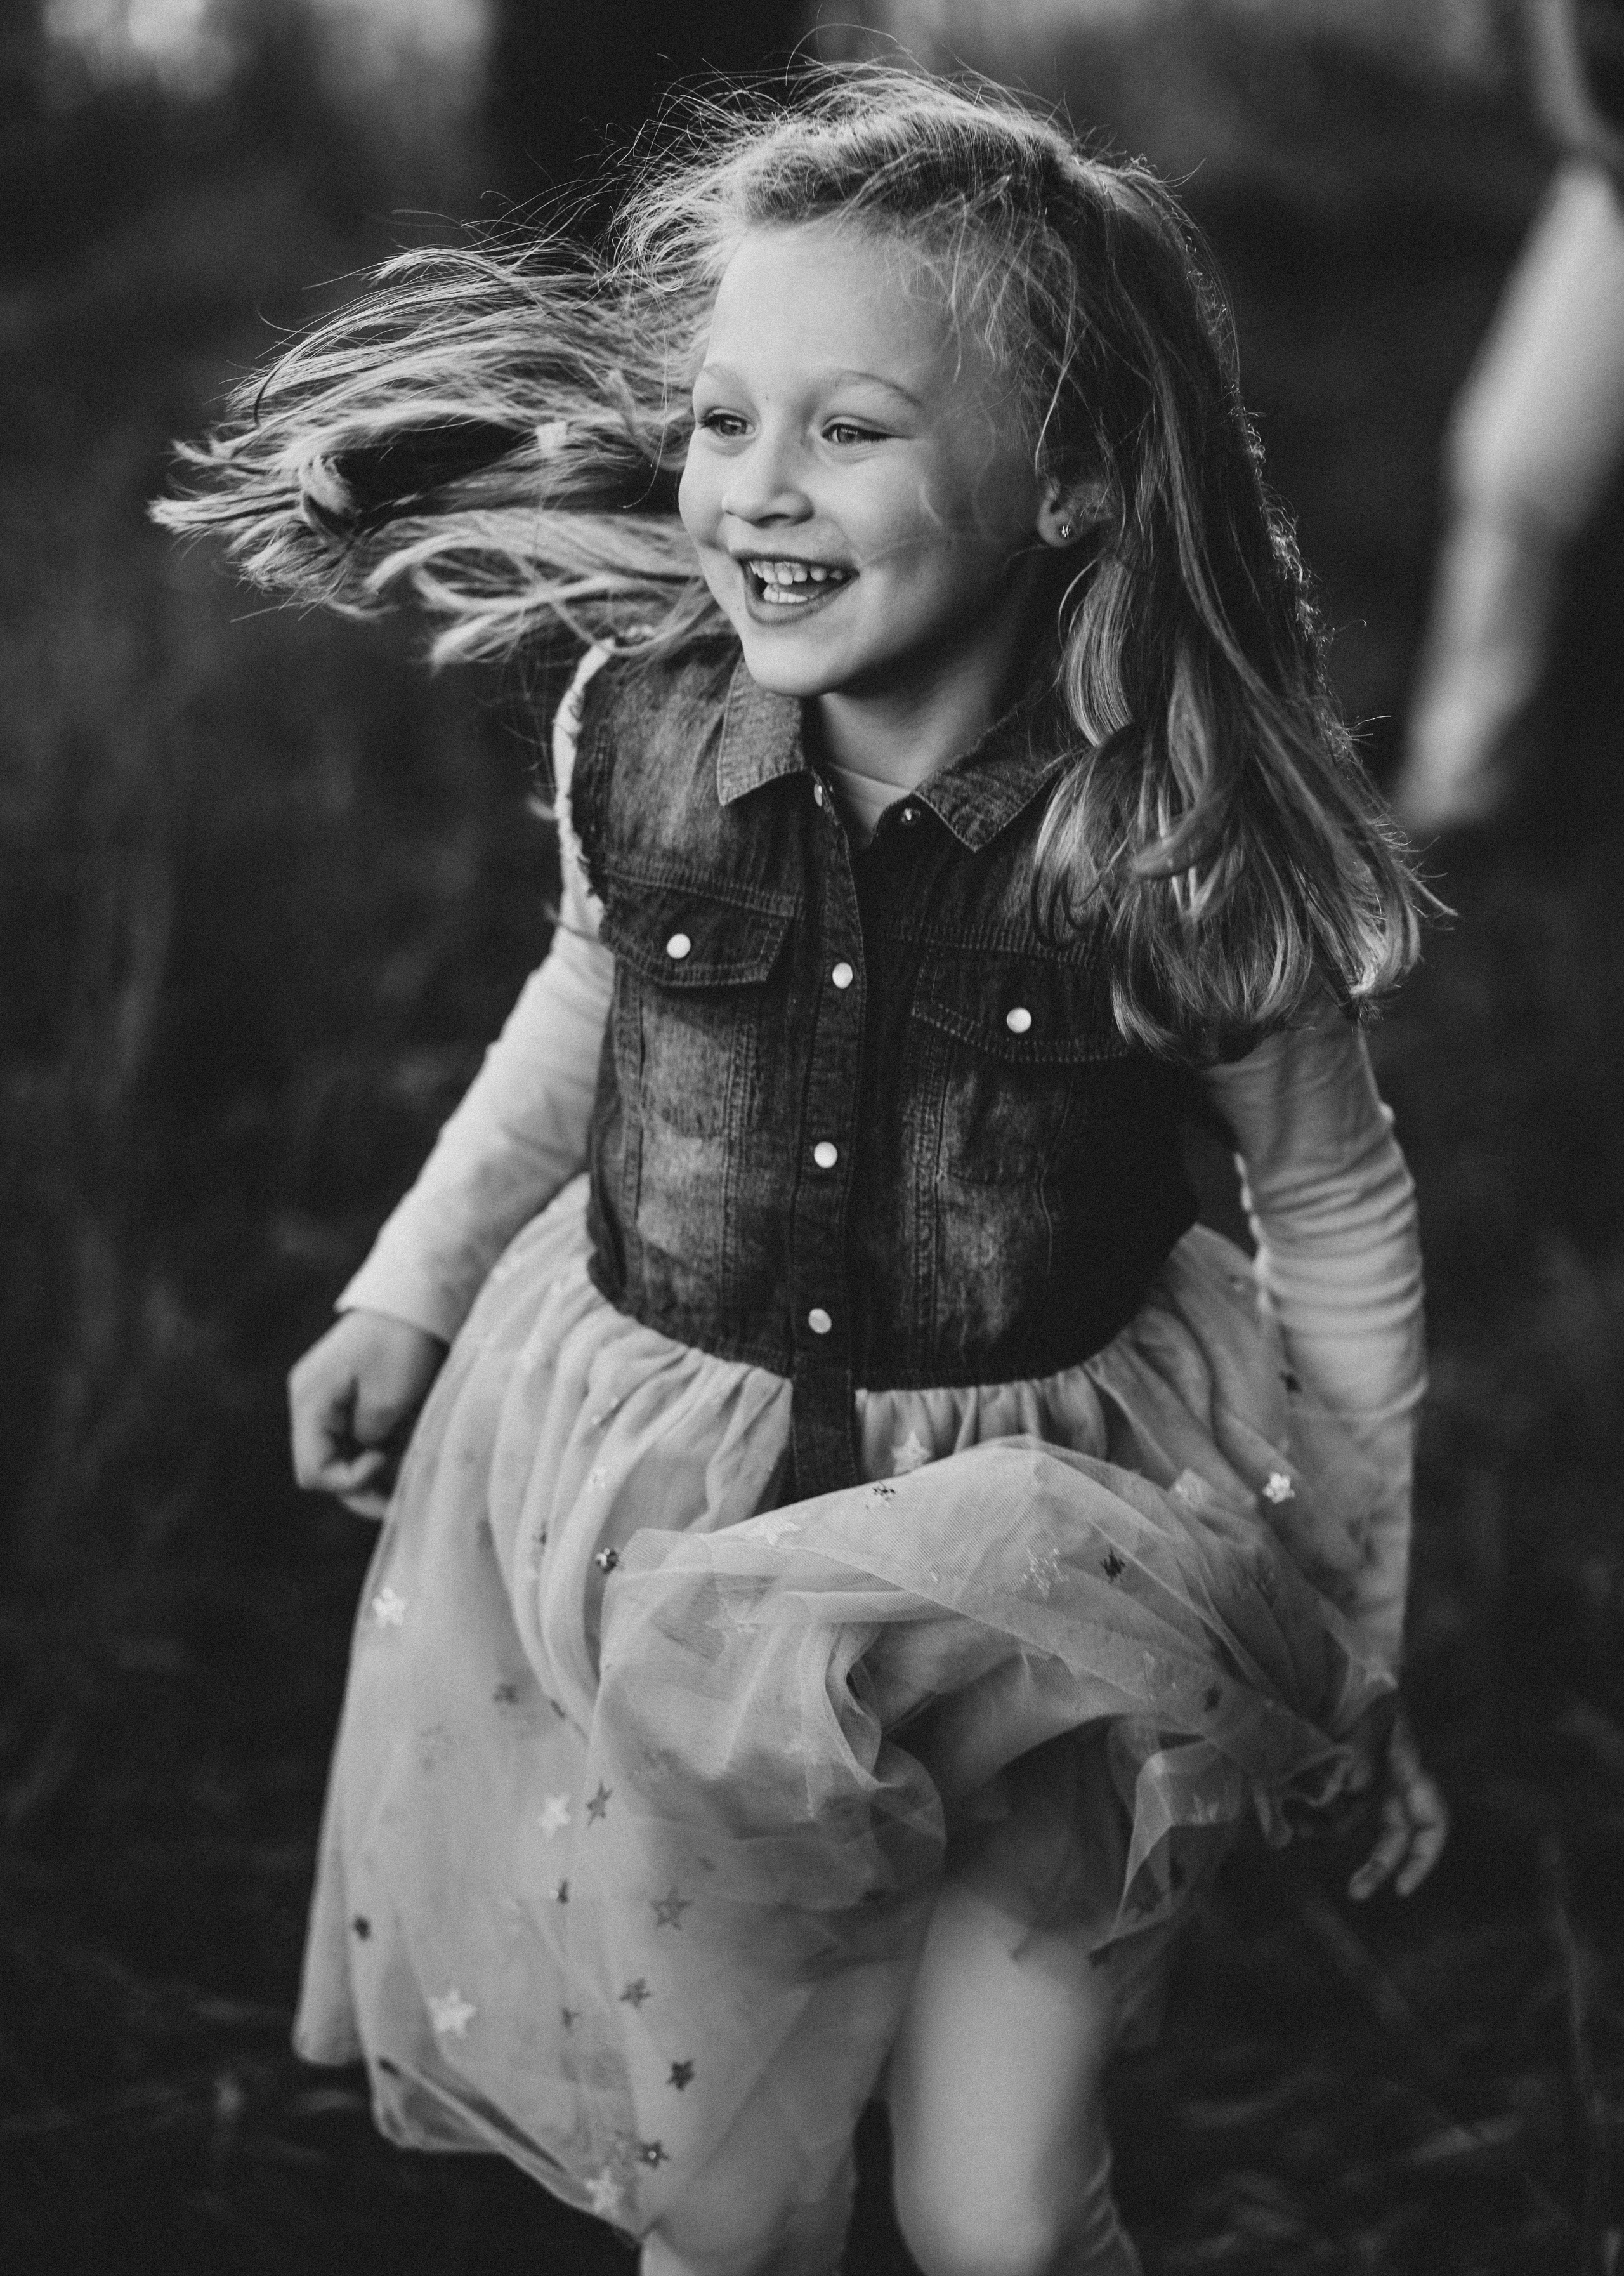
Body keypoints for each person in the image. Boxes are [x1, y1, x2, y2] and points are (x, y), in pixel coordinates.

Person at [161, 67, 1448, 2276]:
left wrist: (1340, 1602)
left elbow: (1333, 1207)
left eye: (848, 428)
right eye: (723, 420)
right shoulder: (642, 735)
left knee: (1001, 2210)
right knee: (725, 2196)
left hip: (1040, 1572)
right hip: (682, 1565)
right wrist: (408, 1281)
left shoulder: (1158, 837)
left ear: (1063, 477)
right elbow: (585, 1019)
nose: (755, 489)